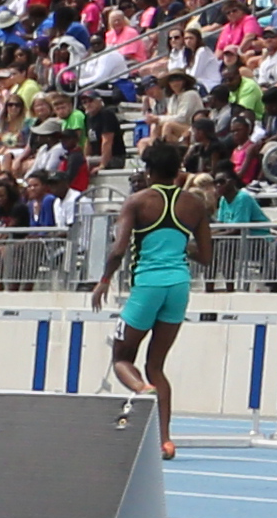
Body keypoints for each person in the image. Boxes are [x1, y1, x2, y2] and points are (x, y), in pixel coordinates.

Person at [87, 138, 205, 463]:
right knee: (157, 365)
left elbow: (119, 249)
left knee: (122, 357)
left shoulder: (138, 201)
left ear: (149, 171)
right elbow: (206, 255)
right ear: (179, 170)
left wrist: (104, 281)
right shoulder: (194, 203)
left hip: (148, 286)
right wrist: (179, 247)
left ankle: (142, 391)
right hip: (179, 286)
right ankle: (165, 440)